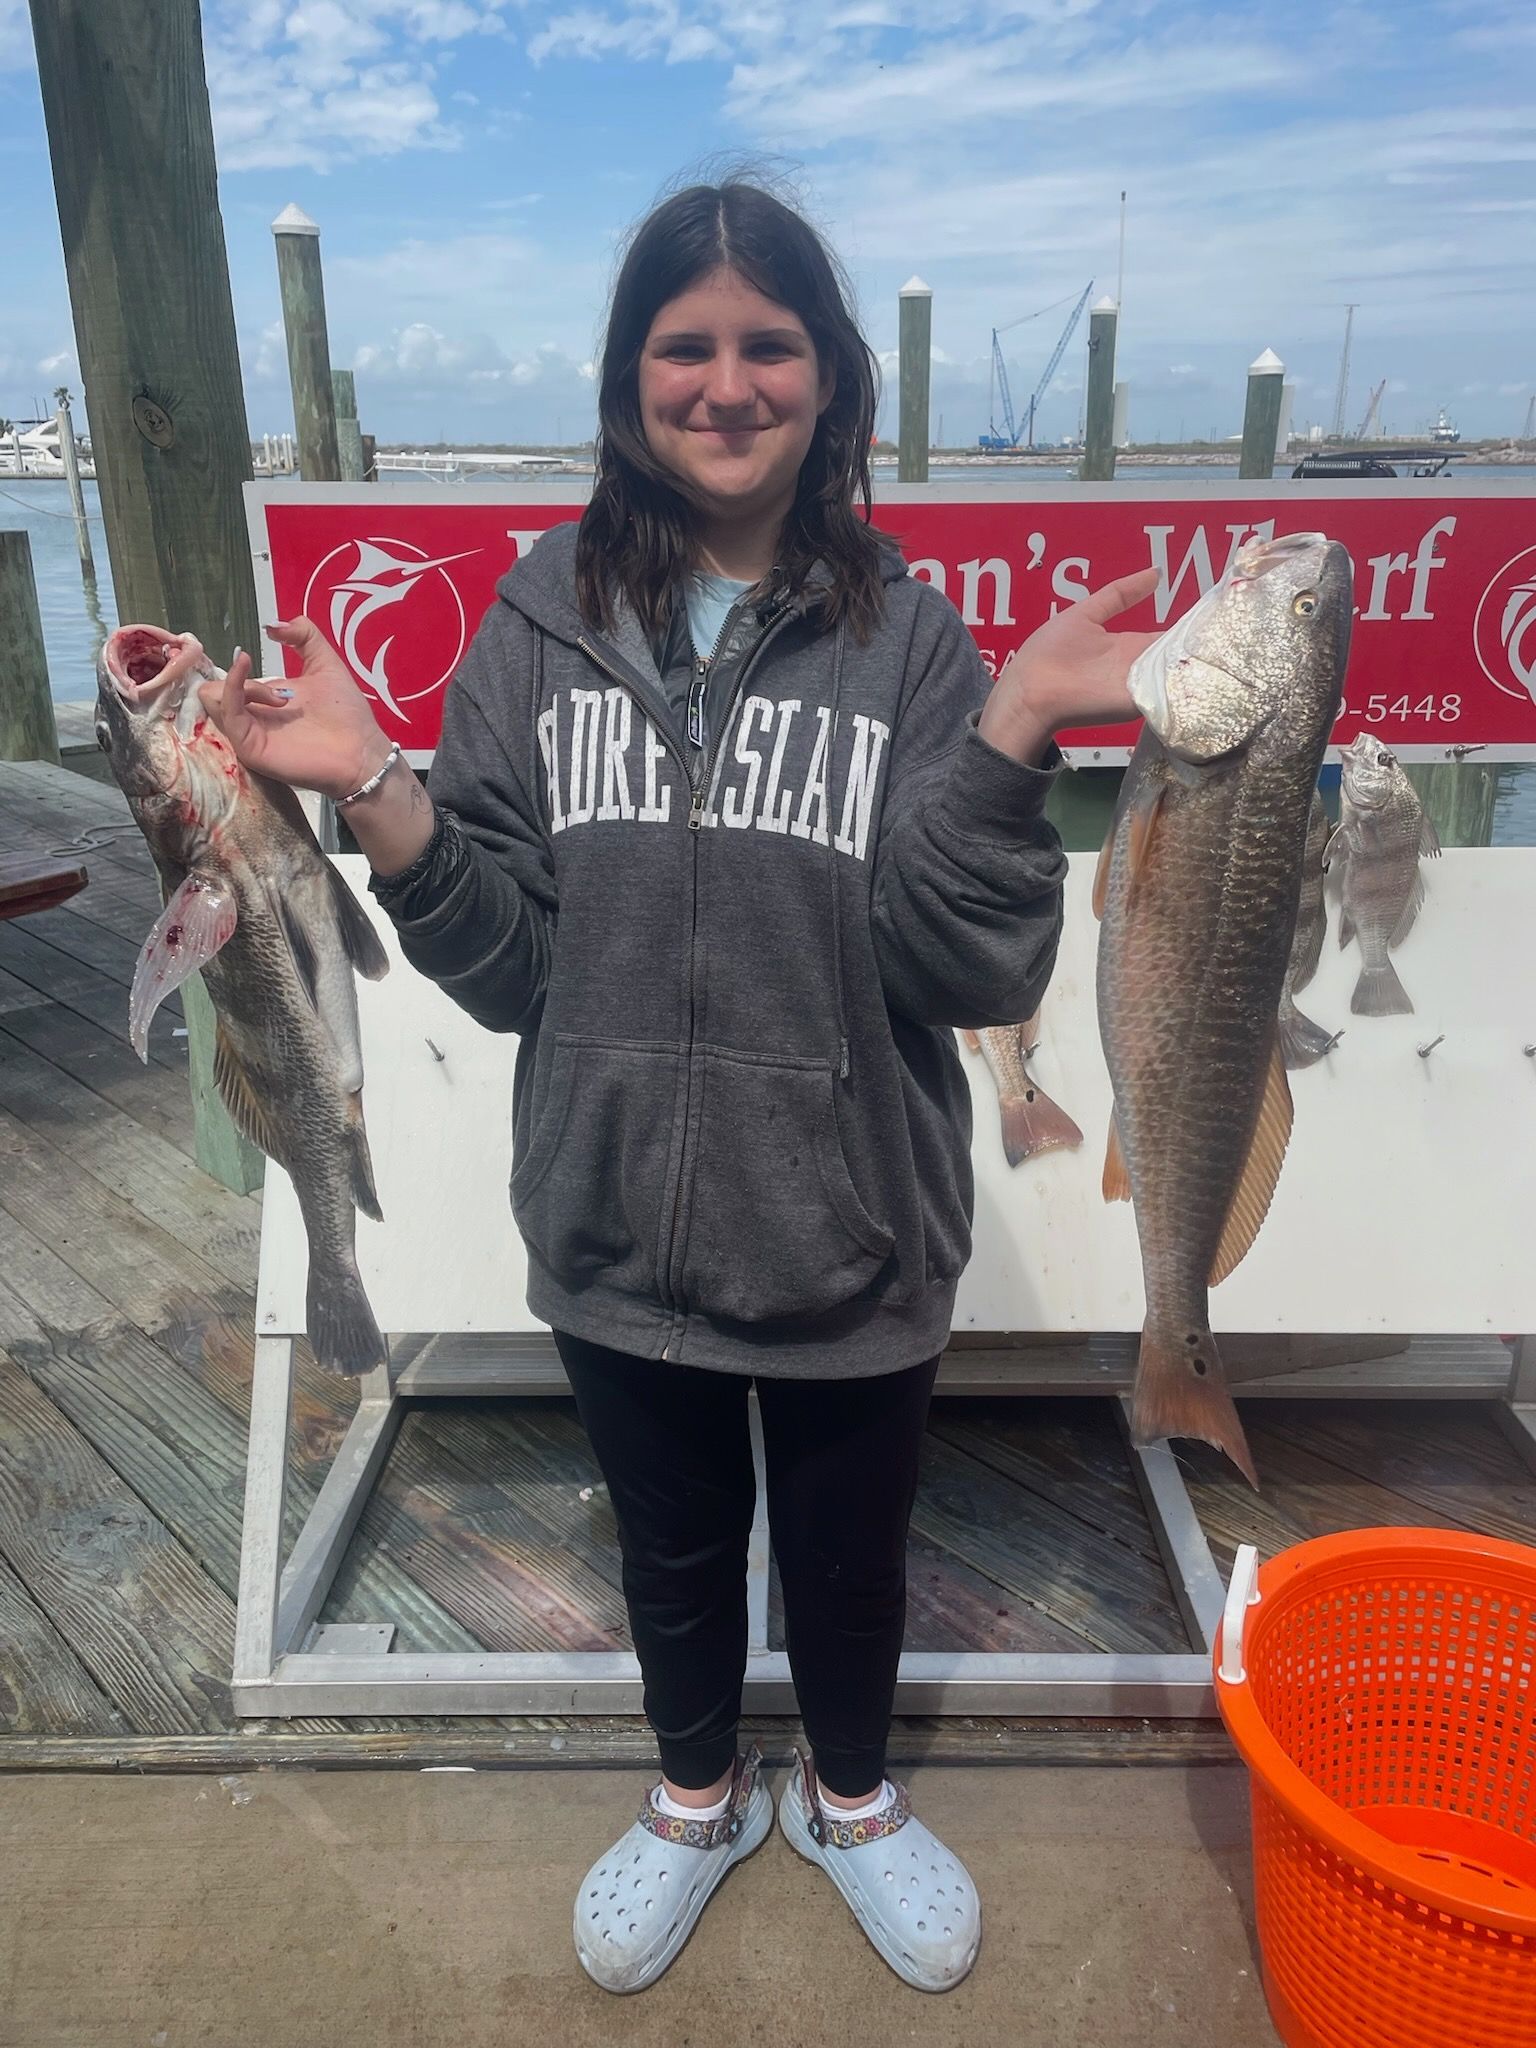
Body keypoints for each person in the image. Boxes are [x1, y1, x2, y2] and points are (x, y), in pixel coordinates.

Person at [203, 176, 1159, 1996]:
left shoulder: (915, 641)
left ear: (833, 378)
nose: (728, 385)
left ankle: (855, 1799)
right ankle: (699, 1788)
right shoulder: (537, 621)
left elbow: (974, 969)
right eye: (686, 346)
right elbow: (503, 966)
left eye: (768, 346)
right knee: (671, 1548)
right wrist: (381, 789)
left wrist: (1021, 728)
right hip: (608, 1214)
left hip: (856, 1232)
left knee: (855, 1556)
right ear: (630, 376)